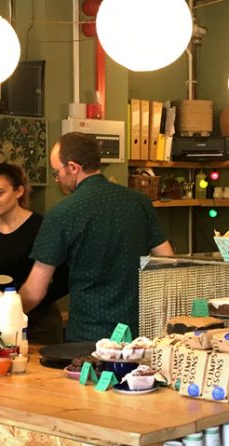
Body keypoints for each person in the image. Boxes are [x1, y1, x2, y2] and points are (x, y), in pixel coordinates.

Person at [20, 132, 174, 342]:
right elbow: (167, 262)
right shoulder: (139, 202)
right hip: (138, 335)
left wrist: (6, 315)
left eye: (57, 173)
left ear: (73, 167)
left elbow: (35, 291)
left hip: (88, 337)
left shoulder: (62, 213)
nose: (58, 180)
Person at [0, 162, 67, 344]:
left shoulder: (41, 227)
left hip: (39, 323)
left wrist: (26, 305)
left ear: (19, 191)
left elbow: (63, 279)